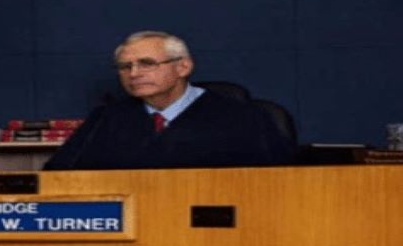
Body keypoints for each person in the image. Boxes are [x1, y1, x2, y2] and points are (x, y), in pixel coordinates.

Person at [43, 31, 296, 170]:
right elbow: (59, 176)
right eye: (124, 66)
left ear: (183, 67)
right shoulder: (107, 118)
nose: (134, 73)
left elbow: (281, 182)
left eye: (147, 64)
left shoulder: (243, 117)